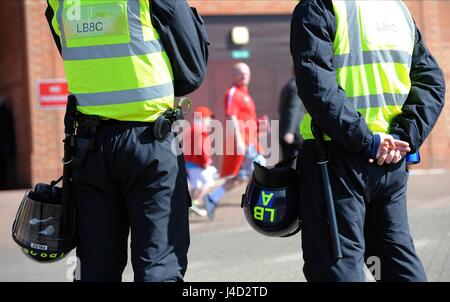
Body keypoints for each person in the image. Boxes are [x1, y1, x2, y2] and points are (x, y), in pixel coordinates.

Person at [291, 0, 445, 281]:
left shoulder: (320, 6)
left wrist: (369, 141)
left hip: (336, 160)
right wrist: (403, 137)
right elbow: (431, 81)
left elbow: (316, 86)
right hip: (390, 163)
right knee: (393, 261)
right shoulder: (396, 9)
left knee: (336, 265)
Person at [45, 0, 197, 281]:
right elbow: (192, 71)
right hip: (149, 142)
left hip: (89, 147)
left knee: (95, 267)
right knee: (159, 264)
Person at [204, 62, 265, 219]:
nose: (244, 76)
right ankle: (255, 203)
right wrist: (239, 141)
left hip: (251, 141)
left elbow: (247, 120)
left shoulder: (246, 94)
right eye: (240, 73)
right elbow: (231, 117)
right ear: (234, 75)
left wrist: (259, 125)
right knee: (259, 169)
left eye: (246, 73)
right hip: (244, 142)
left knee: (243, 176)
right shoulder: (232, 93)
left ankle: (212, 198)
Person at [184, 106, 217, 217]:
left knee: (196, 186)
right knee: (209, 183)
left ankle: (189, 204)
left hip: (189, 163)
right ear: (202, 118)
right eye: (208, 119)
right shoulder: (200, 130)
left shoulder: (190, 129)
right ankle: (193, 204)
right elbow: (201, 148)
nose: (209, 122)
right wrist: (205, 162)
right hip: (197, 164)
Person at [278, 76, 305, 161]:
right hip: (294, 133)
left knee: (287, 163)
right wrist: (289, 131)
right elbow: (292, 109)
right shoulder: (296, 86)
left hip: (286, 132)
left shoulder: (288, 85)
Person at [0, 97, 16, 190]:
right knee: (4, 168)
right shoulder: (7, 113)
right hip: (5, 147)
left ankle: (2, 185)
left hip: (3, 146)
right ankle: (3, 185)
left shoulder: (4, 113)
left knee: (2, 168)